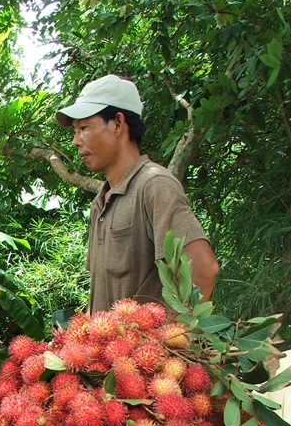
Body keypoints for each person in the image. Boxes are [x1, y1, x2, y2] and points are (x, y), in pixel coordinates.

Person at [55, 74, 219, 314]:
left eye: (84, 128)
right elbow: (100, 295)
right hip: (111, 350)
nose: (75, 141)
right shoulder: (100, 204)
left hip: (149, 350)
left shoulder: (154, 185)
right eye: (75, 131)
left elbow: (203, 269)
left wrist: (168, 340)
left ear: (118, 124)